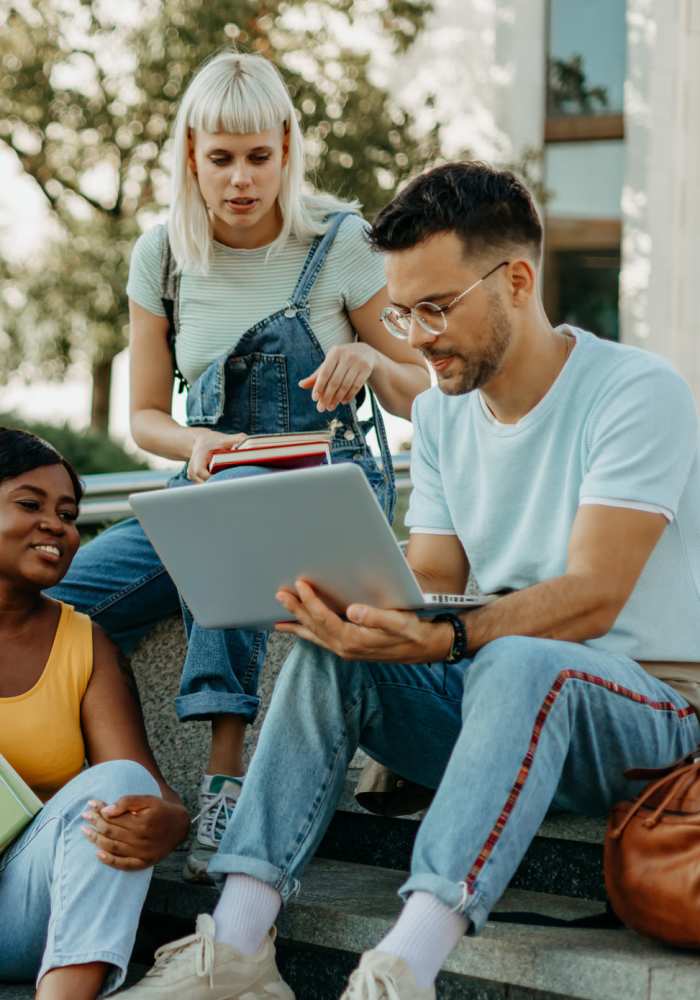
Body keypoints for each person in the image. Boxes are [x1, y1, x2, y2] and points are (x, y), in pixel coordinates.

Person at [118, 160, 700, 1000]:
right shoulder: (440, 413)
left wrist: (451, 634)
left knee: (518, 658)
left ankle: (404, 967)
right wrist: (355, 607)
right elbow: (432, 574)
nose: (416, 336)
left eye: (435, 308)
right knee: (334, 655)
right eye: (401, 312)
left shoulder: (634, 392)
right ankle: (236, 948)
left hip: (648, 716)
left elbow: (596, 593)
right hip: (495, 694)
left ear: (517, 280)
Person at [49, 50, 429, 882]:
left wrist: (371, 360)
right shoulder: (163, 255)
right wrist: (198, 446)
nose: (241, 177)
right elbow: (147, 415)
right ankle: (115, 783)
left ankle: (224, 773)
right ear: (191, 153)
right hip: (212, 481)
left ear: (287, 147)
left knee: (237, 508)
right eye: (221, 157)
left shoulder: (340, 242)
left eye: (259, 155)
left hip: (327, 486)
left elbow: (419, 393)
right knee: (53, 605)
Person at [0, 428, 190, 1000]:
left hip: (22, 908)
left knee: (119, 786)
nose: (57, 526)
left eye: (68, 514)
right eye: (30, 505)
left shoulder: (83, 642)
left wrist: (168, 824)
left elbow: (144, 787)